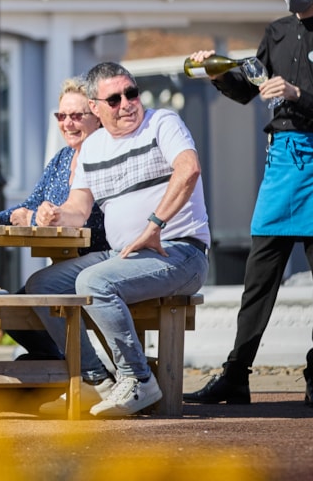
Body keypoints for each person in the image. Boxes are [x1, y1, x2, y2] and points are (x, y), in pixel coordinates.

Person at [185, 0, 313, 410]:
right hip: (281, 163)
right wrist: (215, 74)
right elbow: (247, 91)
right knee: (257, 282)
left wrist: (298, 93)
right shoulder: (277, 33)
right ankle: (235, 377)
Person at [38, 61, 210, 417]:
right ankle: (96, 381)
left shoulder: (162, 122)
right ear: (95, 108)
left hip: (180, 252)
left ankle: (138, 380)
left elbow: (189, 168)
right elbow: (78, 208)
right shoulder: (94, 146)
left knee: (93, 282)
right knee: (43, 286)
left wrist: (154, 224)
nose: (126, 103)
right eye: (114, 99)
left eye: (131, 93)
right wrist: (55, 214)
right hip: (123, 256)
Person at [0, 77, 114, 413]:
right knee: (9, 309)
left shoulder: (108, 155)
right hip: (65, 262)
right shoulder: (63, 158)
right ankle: (56, 366)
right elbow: (32, 203)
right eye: (61, 116)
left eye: (77, 116)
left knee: (37, 292)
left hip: (104, 259)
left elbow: (94, 218)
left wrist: (49, 216)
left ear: (96, 115)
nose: (68, 123)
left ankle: (91, 376)